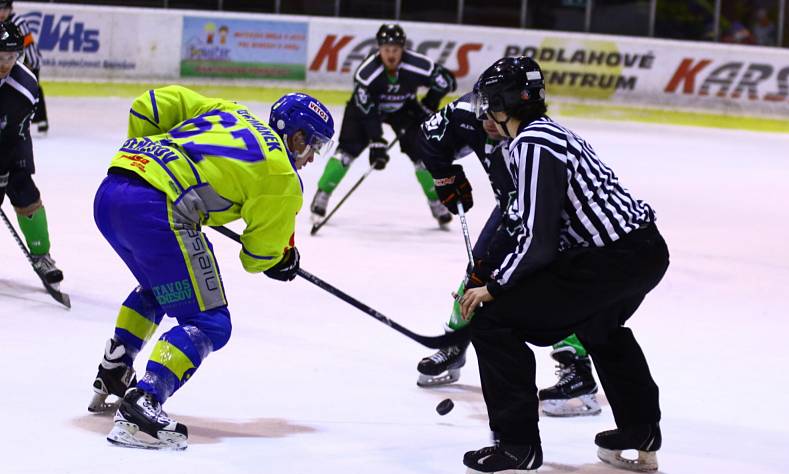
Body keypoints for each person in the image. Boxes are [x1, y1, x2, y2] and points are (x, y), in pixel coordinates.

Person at [459, 57, 669, 474]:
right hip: (643, 250)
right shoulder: (553, 133)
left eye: (487, 102)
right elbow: (532, 228)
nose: (483, 112)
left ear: (501, 103)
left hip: (609, 260)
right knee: (600, 325)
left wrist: (493, 288)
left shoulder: (531, 145)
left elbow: (539, 241)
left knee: (493, 320)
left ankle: (516, 450)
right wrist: (493, 269)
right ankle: (640, 430)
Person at [87, 85, 335, 450]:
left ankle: (113, 371)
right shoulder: (282, 176)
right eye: (311, 144)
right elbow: (257, 257)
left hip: (112, 190)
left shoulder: (232, 109)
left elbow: (151, 104)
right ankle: (145, 401)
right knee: (210, 322)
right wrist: (282, 260)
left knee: (162, 288)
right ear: (294, 135)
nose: (311, 157)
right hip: (157, 211)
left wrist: (154, 166)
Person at [414, 90, 600, 418]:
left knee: (546, 280)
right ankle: (456, 340)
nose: (488, 123)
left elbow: (537, 211)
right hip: (510, 206)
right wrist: (445, 177)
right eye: (483, 115)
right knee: (479, 267)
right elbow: (427, 136)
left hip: (545, 213)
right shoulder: (466, 113)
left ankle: (576, 365)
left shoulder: (533, 136)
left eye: (495, 115)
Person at [309, 23, 456, 227]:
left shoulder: (417, 64)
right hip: (365, 110)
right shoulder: (367, 73)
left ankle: (435, 201)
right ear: (379, 49)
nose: (391, 54)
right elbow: (367, 110)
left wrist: (429, 102)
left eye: (395, 49)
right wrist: (376, 139)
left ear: (402, 49)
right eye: (386, 50)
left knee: (423, 155)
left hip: (403, 109)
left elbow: (446, 81)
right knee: (346, 153)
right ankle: (323, 193)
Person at [0, 21, 62, 285]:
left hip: (10, 146)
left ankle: (42, 255)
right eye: (1, 56)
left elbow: (19, 132)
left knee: (26, 191)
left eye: (12, 57)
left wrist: (12, 168)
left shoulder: (25, 87)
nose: (6, 63)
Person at [0, 1, 47, 133]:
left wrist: (30, 66)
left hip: (29, 61)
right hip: (11, 62)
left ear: (10, 9)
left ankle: (41, 119)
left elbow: (28, 46)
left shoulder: (18, 22)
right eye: (0, 10)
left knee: (32, 87)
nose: (2, 13)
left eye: (5, 10)